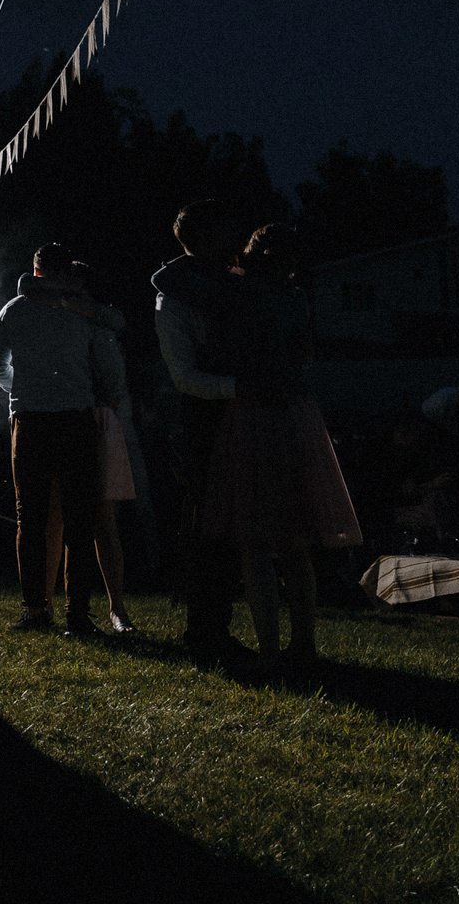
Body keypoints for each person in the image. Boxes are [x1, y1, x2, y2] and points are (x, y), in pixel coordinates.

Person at [200, 224, 363, 676]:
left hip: (253, 411)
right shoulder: (295, 300)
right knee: (294, 541)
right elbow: (306, 356)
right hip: (295, 413)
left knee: (254, 541)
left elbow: (167, 283)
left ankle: (270, 647)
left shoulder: (237, 292)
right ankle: (304, 644)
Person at [0, 245, 128, 635]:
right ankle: (77, 615)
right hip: (76, 420)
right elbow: (112, 358)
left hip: (30, 421)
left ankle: (36, 610)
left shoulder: (14, 309)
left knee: (30, 518)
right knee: (80, 520)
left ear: (35, 269)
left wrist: (25, 390)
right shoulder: (82, 312)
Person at [152, 199, 248, 667]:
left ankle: (217, 623)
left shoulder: (228, 286)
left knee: (230, 523)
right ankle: (205, 627)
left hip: (236, 411)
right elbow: (184, 376)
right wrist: (244, 388)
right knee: (208, 522)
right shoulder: (173, 298)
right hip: (203, 418)